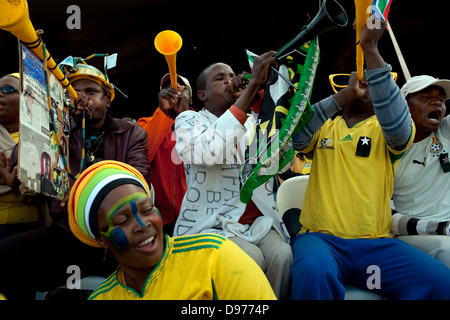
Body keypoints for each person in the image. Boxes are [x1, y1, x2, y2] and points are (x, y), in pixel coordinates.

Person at [290, 17, 450, 299]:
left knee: (442, 283)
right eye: (357, 79)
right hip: (321, 240)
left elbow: (398, 125)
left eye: (372, 82)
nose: (364, 83)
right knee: (313, 272)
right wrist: (342, 97)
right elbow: (297, 137)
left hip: (377, 245)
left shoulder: (391, 130)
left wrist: (370, 48)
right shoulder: (326, 126)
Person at [0, 64, 151, 300]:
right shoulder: (59, 128)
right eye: (72, 92)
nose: (80, 97)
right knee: (7, 254)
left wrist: (83, 192)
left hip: (120, 234)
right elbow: (26, 154)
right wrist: (58, 122)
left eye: (91, 91)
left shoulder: (131, 132)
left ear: (107, 100)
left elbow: (138, 178)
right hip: (67, 234)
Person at [173, 52, 292, 299]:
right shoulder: (189, 120)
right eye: (220, 78)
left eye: (231, 75)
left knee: (283, 255)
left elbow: (280, 164)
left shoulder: (254, 122)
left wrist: (264, 102)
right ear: (202, 95)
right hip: (211, 225)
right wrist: (253, 88)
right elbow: (209, 152)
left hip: (256, 223)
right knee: (252, 259)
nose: (230, 80)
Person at [67, 160, 276, 300]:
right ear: (102, 239)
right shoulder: (103, 297)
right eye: (122, 221)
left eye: (147, 209)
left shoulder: (214, 257)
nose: (142, 225)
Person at [391, 75, 450, 267]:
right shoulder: (385, 147)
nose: (437, 103)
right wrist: (442, 228)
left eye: (441, 100)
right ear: (403, 104)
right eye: (426, 97)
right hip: (408, 234)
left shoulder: (445, 132)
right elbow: (382, 216)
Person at [137, 73, 191, 236]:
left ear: (191, 97)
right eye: (168, 89)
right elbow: (143, 155)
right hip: (161, 220)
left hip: (199, 218)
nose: (175, 93)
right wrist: (163, 113)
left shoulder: (204, 121)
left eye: (181, 88)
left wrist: (185, 112)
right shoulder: (146, 123)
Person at [0, 73, 45, 240]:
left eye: (7, 89)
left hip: (29, 226)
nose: (0, 93)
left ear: (28, 98)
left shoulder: (42, 137)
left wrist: (16, 184)